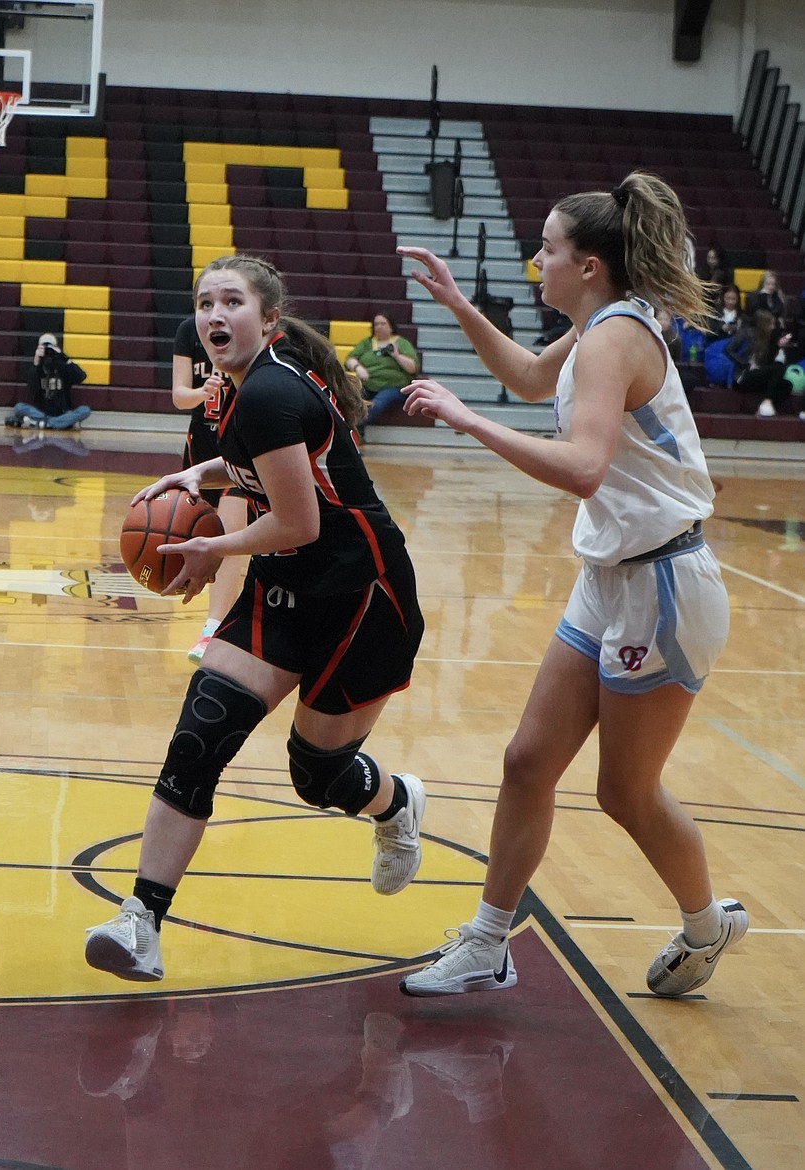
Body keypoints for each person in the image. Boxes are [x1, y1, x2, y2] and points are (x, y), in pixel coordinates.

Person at [396, 170, 745, 1000]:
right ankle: (488, 942)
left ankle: (707, 925)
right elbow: (524, 377)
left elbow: (585, 468)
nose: (535, 262)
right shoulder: (597, 325)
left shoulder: (613, 339)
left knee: (624, 792)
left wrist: (467, 420)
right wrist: (458, 306)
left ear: (588, 264)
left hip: (664, 586)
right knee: (526, 761)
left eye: (547, 250)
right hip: (613, 576)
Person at [84, 255, 427, 982]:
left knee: (319, 775)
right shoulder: (233, 393)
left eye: (232, 302)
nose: (214, 314)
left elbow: (299, 521)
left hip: (364, 598)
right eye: (205, 302)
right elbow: (255, 473)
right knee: (199, 734)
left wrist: (212, 547)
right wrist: (196, 475)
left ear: (268, 319)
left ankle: (396, 804)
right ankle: (140, 920)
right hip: (289, 587)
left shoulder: (269, 392)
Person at [171, 314, 249, 664]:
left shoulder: (249, 334)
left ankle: (212, 629)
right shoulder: (189, 331)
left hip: (241, 446)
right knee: (200, 535)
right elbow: (179, 397)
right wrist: (200, 393)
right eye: (205, 301)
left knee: (229, 537)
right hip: (199, 449)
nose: (215, 310)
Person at [343, 312, 420, 441]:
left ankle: (352, 430)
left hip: (393, 386)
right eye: (376, 324)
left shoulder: (401, 343)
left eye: (383, 323)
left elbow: (413, 367)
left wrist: (396, 355)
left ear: (391, 326)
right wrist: (358, 368)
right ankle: (354, 432)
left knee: (376, 404)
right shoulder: (367, 343)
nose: (379, 327)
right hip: (367, 383)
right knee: (349, 397)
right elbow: (349, 359)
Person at [5, 332, 90, 431]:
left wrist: (64, 358)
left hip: (62, 412)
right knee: (18, 407)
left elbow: (81, 376)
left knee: (85, 410)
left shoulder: (62, 365)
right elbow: (31, 386)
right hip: (41, 412)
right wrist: (36, 362)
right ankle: (61, 424)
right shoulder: (37, 366)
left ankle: (41, 423)